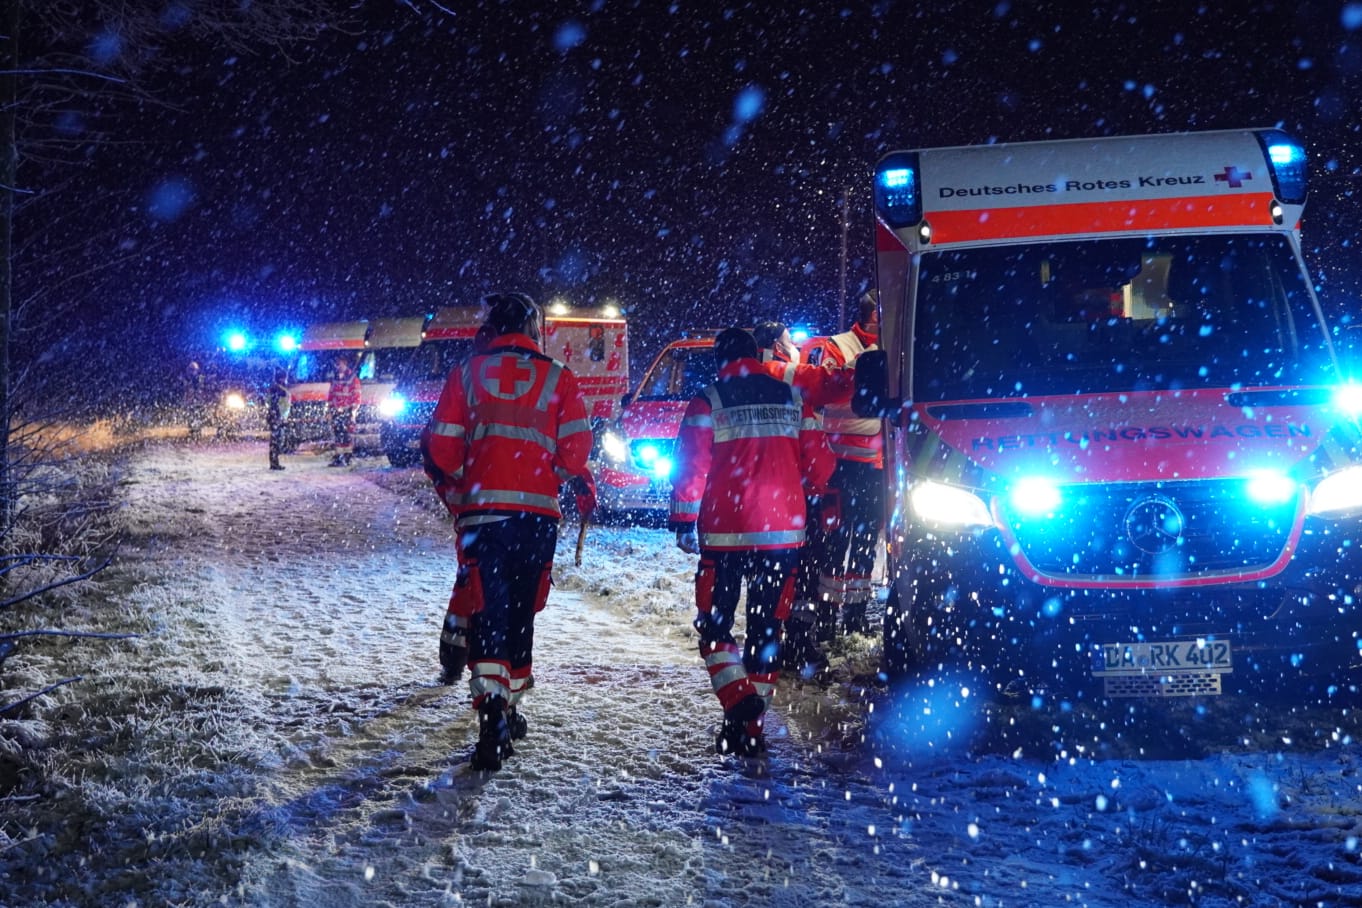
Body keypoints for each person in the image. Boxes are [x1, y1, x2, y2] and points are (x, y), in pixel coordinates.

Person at [425, 292, 597, 772]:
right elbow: (576, 450)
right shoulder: (559, 377)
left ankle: (492, 715)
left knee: (488, 614)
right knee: (523, 614)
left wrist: (476, 471)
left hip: (484, 516)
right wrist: (545, 475)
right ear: (534, 329)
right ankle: (512, 704)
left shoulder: (466, 374)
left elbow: (442, 449)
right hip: (538, 518)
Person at [671, 327, 834, 758]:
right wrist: (807, 490)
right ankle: (751, 725)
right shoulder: (794, 398)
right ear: (758, 355)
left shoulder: (708, 400)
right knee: (766, 630)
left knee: (714, 626)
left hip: (725, 535)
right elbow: (818, 464)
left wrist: (684, 520)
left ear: (720, 361)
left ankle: (739, 703)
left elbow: (690, 468)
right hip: (782, 536)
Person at [752, 319, 856, 677]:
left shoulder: (734, 388)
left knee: (765, 579)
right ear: (778, 348)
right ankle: (797, 643)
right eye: (789, 343)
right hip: (796, 501)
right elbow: (818, 463)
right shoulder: (787, 383)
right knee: (802, 574)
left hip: (749, 505)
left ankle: (764, 644)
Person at [800, 291, 885, 640]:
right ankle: (825, 617)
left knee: (866, 543)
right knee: (833, 541)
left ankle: (855, 615)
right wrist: (862, 371)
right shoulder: (838, 346)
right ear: (872, 316)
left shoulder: (895, 343)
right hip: (841, 463)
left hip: (877, 465)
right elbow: (828, 390)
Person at [326, 356, 362, 467]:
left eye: (340, 364)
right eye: (338, 364)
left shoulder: (352, 378)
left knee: (346, 434)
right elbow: (331, 395)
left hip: (347, 410)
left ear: (345, 364)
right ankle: (339, 456)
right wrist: (330, 409)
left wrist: (353, 410)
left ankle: (347, 456)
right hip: (337, 411)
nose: (338, 366)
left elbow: (356, 395)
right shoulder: (336, 378)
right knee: (337, 434)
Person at [266, 368, 291, 471]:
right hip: (277, 417)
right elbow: (279, 404)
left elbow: (270, 402)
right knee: (276, 441)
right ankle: (274, 463)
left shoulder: (275, 388)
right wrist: (280, 417)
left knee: (275, 441)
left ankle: (274, 462)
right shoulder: (279, 390)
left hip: (275, 417)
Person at [182, 361, 208, 439]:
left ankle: (197, 431)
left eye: (194, 370)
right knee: (191, 416)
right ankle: (193, 431)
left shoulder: (201, 378)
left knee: (198, 416)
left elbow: (205, 387)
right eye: (191, 369)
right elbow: (185, 388)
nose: (192, 372)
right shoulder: (186, 378)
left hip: (199, 401)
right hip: (190, 401)